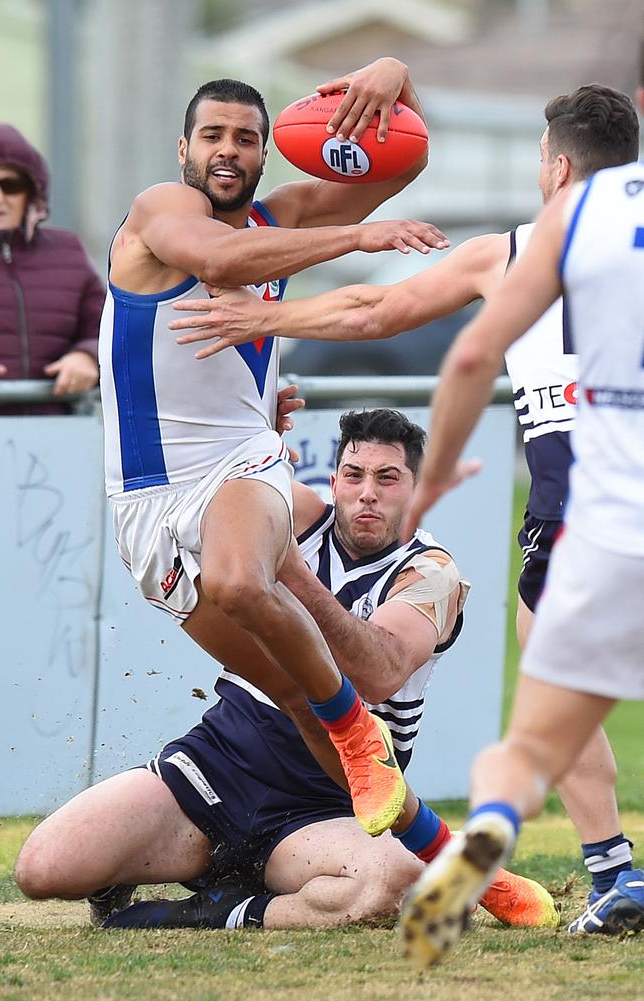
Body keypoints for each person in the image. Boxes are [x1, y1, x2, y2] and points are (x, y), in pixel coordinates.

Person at [167, 84, 640, 929]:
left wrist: (261, 315)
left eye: (539, 158)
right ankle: (612, 875)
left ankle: (614, 877)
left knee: (555, 684)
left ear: (557, 166)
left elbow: (380, 306)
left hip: (592, 495)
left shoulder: (518, 250)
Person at [14, 408, 557, 933]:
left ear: (417, 490)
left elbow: (380, 672)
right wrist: (248, 443)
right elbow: (214, 479)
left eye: (388, 479)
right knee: (42, 870)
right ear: (336, 480)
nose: (367, 492)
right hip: (220, 762)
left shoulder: (432, 573)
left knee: (394, 883)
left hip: (324, 797)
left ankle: (210, 910)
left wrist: (292, 574)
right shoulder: (298, 515)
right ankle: (158, 868)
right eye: (354, 475)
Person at [96, 58, 451, 839]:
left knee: (239, 581)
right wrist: (357, 236)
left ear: (269, 152)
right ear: (182, 149)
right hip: (148, 501)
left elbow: (409, 156)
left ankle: (363, 738)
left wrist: (394, 77)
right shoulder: (160, 209)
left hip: (244, 465)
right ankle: (448, 860)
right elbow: (219, 264)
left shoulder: (278, 219)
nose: (230, 149)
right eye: (213, 135)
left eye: (248, 138)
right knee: (292, 692)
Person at [395, 154, 644, 967]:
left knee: (533, 742)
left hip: (594, 515)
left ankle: (527, 849)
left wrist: (431, 478)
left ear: (558, 162)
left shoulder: (555, 228)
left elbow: (465, 355)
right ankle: (611, 879)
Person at [0, 124, 103, 414]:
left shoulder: (68, 251)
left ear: (32, 191)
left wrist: (89, 357)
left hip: (56, 443)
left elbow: (110, 328)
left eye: (11, 185)